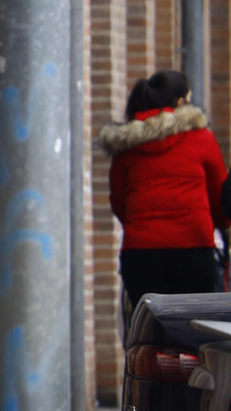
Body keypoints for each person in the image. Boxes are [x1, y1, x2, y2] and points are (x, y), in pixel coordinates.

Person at [96, 70, 228, 308]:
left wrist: (143, 225)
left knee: (148, 332)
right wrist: (220, 225)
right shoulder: (201, 138)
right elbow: (220, 199)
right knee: (196, 332)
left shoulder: (127, 145)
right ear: (180, 103)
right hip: (194, 249)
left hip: (141, 254)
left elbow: (119, 203)